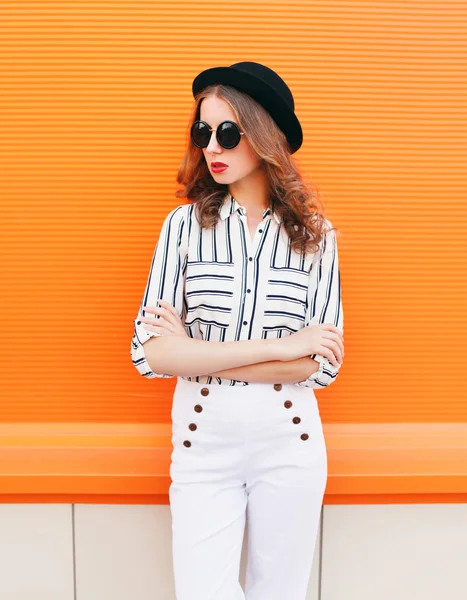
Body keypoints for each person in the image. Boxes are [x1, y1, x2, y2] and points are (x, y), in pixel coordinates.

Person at [131, 61, 344, 600]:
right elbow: (152, 352)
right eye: (202, 132)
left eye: (228, 132)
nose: (211, 146)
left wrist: (195, 351)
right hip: (203, 440)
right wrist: (281, 344)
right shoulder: (182, 228)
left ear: (263, 135)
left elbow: (316, 364)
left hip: (289, 438)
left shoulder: (317, 237)